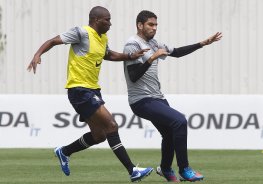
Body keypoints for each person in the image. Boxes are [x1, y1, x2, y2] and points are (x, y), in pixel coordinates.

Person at [27, 6, 153, 182]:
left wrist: (129, 56)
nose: (110, 23)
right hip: (79, 89)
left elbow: (108, 55)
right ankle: (133, 170)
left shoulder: (103, 37)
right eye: (107, 20)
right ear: (96, 20)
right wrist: (37, 54)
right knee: (111, 125)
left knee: (99, 136)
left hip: (93, 89)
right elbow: (53, 41)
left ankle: (64, 151)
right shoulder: (81, 32)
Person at [123, 10, 222, 182]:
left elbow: (176, 52)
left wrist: (202, 43)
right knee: (179, 121)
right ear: (140, 25)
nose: (154, 28)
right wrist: (151, 58)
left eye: (156, 25)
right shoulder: (133, 44)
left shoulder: (154, 43)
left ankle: (166, 168)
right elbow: (133, 76)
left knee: (169, 134)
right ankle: (184, 169)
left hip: (157, 98)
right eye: (150, 25)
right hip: (141, 100)